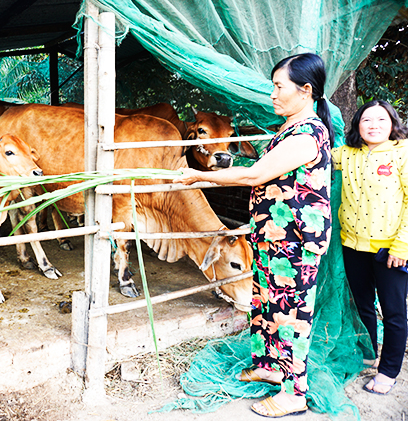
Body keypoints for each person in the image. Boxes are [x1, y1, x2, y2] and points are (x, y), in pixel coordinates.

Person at [173, 52, 333, 418]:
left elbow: (254, 175)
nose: (273, 94)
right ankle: (270, 366)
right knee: (265, 304)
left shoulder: (308, 133)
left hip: (295, 241)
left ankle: (295, 393)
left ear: (305, 91)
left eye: (279, 87)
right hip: (273, 236)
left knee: (292, 313)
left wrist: (200, 176)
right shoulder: (288, 129)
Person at [332, 99, 408, 395]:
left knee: (393, 312)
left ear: (392, 124)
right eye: (366, 120)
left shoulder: (402, 153)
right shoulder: (347, 154)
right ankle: (367, 353)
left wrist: (402, 246)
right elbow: (314, 157)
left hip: (391, 249)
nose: (373, 125)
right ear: (357, 125)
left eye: (381, 120)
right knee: (361, 304)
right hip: (352, 245)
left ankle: (388, 371)